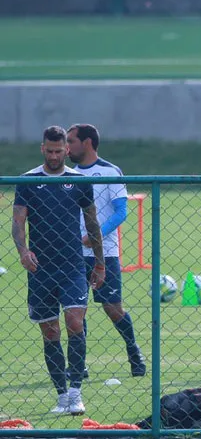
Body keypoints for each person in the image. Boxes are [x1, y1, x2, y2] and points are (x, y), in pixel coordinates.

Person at [12, 126, 106, 415]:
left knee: (75, 323)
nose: (54, 155)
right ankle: (61, 394)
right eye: (49, 150)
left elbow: (92, 224)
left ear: (67, 149)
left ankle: (76, 391)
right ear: (43, 149)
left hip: (72, 266)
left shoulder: (78, 181)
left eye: (59, 150)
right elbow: (17, 224)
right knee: (50, 332)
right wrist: (23, 251)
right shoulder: (28, 181)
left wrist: (100, 262)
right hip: (41, 269)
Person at [66, 123, 147, 377]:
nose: (68, 147)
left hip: (105, 253)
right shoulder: (69, 175)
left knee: (113, 308)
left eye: (72, 141)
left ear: (87, 142)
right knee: (75, 310)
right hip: (75, 254)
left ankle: (134, 352)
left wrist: (96, 235)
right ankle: (79, 366)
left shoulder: (110, 171)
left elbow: (121, 211)